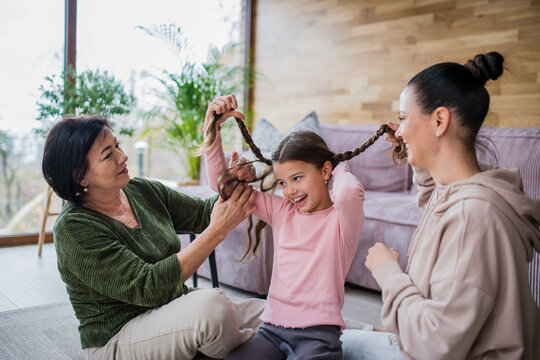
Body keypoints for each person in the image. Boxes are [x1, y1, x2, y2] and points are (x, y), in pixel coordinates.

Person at [342, 52, 540, 359]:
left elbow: (433, 345)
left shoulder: (473, 216)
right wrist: (417, 156)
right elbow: (436, 198)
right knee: (329, 336)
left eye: (405, 118)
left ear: (439, 120)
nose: (401, 129)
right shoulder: (466, 192)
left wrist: (388, 273)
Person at [42, 115, 267, 360]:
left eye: (117, 145)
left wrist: (231, 182)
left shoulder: (141, 190)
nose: (122, 156)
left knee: (273, 312)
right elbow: (148, 287)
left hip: (170, 307)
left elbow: (202, 214)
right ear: (80, 176)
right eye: (108, 155)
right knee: (213, 310)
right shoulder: (73, 228)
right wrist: (217, 231)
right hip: (118, 337)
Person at [199, 95, 402, 359]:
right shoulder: (282, 211)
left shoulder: (342, 220)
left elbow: (349, 193)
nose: (290, 191)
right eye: (283, 182)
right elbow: (223, 187)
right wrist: (212, 132)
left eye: (297, 178)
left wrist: (338, 165)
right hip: (271, 331)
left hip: (318, 337)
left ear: (326, 171)